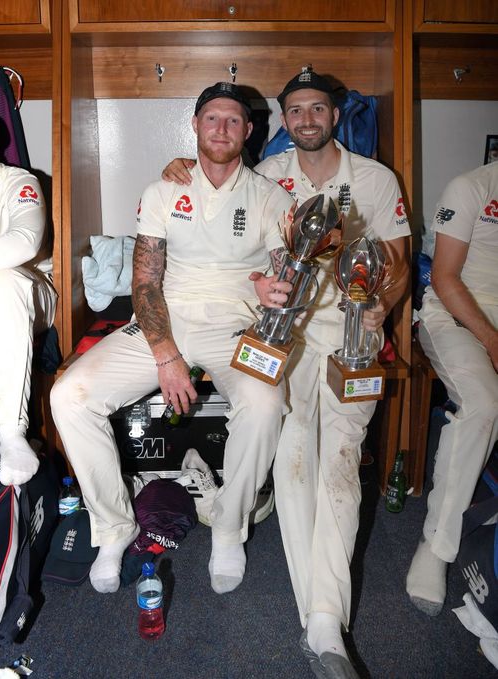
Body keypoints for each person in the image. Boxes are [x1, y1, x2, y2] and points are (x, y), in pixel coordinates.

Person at [162, 70, 411, 679]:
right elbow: (216, 193)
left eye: (317, 108)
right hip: (289, 338)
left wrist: (382, 302)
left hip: (354, 338)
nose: (306, 119)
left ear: (334, 114)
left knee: (341, 465)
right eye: (295, 109)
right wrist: (179, 166)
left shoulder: (376, 180)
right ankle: (324, 624)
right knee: (295, 457)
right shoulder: (270, 178)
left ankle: (323, 617)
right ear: (283, 119)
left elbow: (399, 264)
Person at [50, 82, 294, 596]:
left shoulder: (272, 198)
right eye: (212, 119)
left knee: (267, 403)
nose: (222, 129)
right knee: (68, 396)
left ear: (249, 131)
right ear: (196, 126)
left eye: (233, 120)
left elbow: (280, 270)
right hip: (166, 320)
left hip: (237, 327)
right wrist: (166, 354)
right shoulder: (164, 191)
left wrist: (278, 288)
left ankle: (229, 524)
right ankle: (116, 527)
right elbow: (144, 282)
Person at [406, 162, 498, 616]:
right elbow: (443, 278)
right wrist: (494, 340)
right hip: (454, 315)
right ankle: (437, 546)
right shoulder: (472, 188)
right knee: (484, 403)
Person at [0, 161, 57, 486]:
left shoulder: (18, 182)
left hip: (31, 289)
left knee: (3, 281)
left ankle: (11, 430)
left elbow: (24, 241)